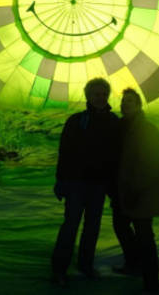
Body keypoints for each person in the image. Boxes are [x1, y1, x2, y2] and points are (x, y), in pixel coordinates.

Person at [51, 78, 120, 285]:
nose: (100, 98)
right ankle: (59, 269)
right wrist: (61, 180)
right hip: (76, 184)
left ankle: (85, 264)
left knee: (92, 227)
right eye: (96, 94)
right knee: (70, 226)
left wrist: (113, 185)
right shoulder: (76, 120)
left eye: (103, 94)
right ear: (88, 96)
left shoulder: (113, 121)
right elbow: (65, 152)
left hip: (98, 185)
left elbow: (116, 155)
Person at [115, 88, 159, 293]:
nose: (124, 104)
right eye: (123, 101)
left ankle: (151, 283)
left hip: (142, 194)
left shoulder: (147, 130)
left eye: (129, 101)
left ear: (138, 106)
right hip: (126, 192)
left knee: (145, 237)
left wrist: (137, 189)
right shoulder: (122, 127)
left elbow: (153, 163)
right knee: (120, 225)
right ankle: (134, 265)